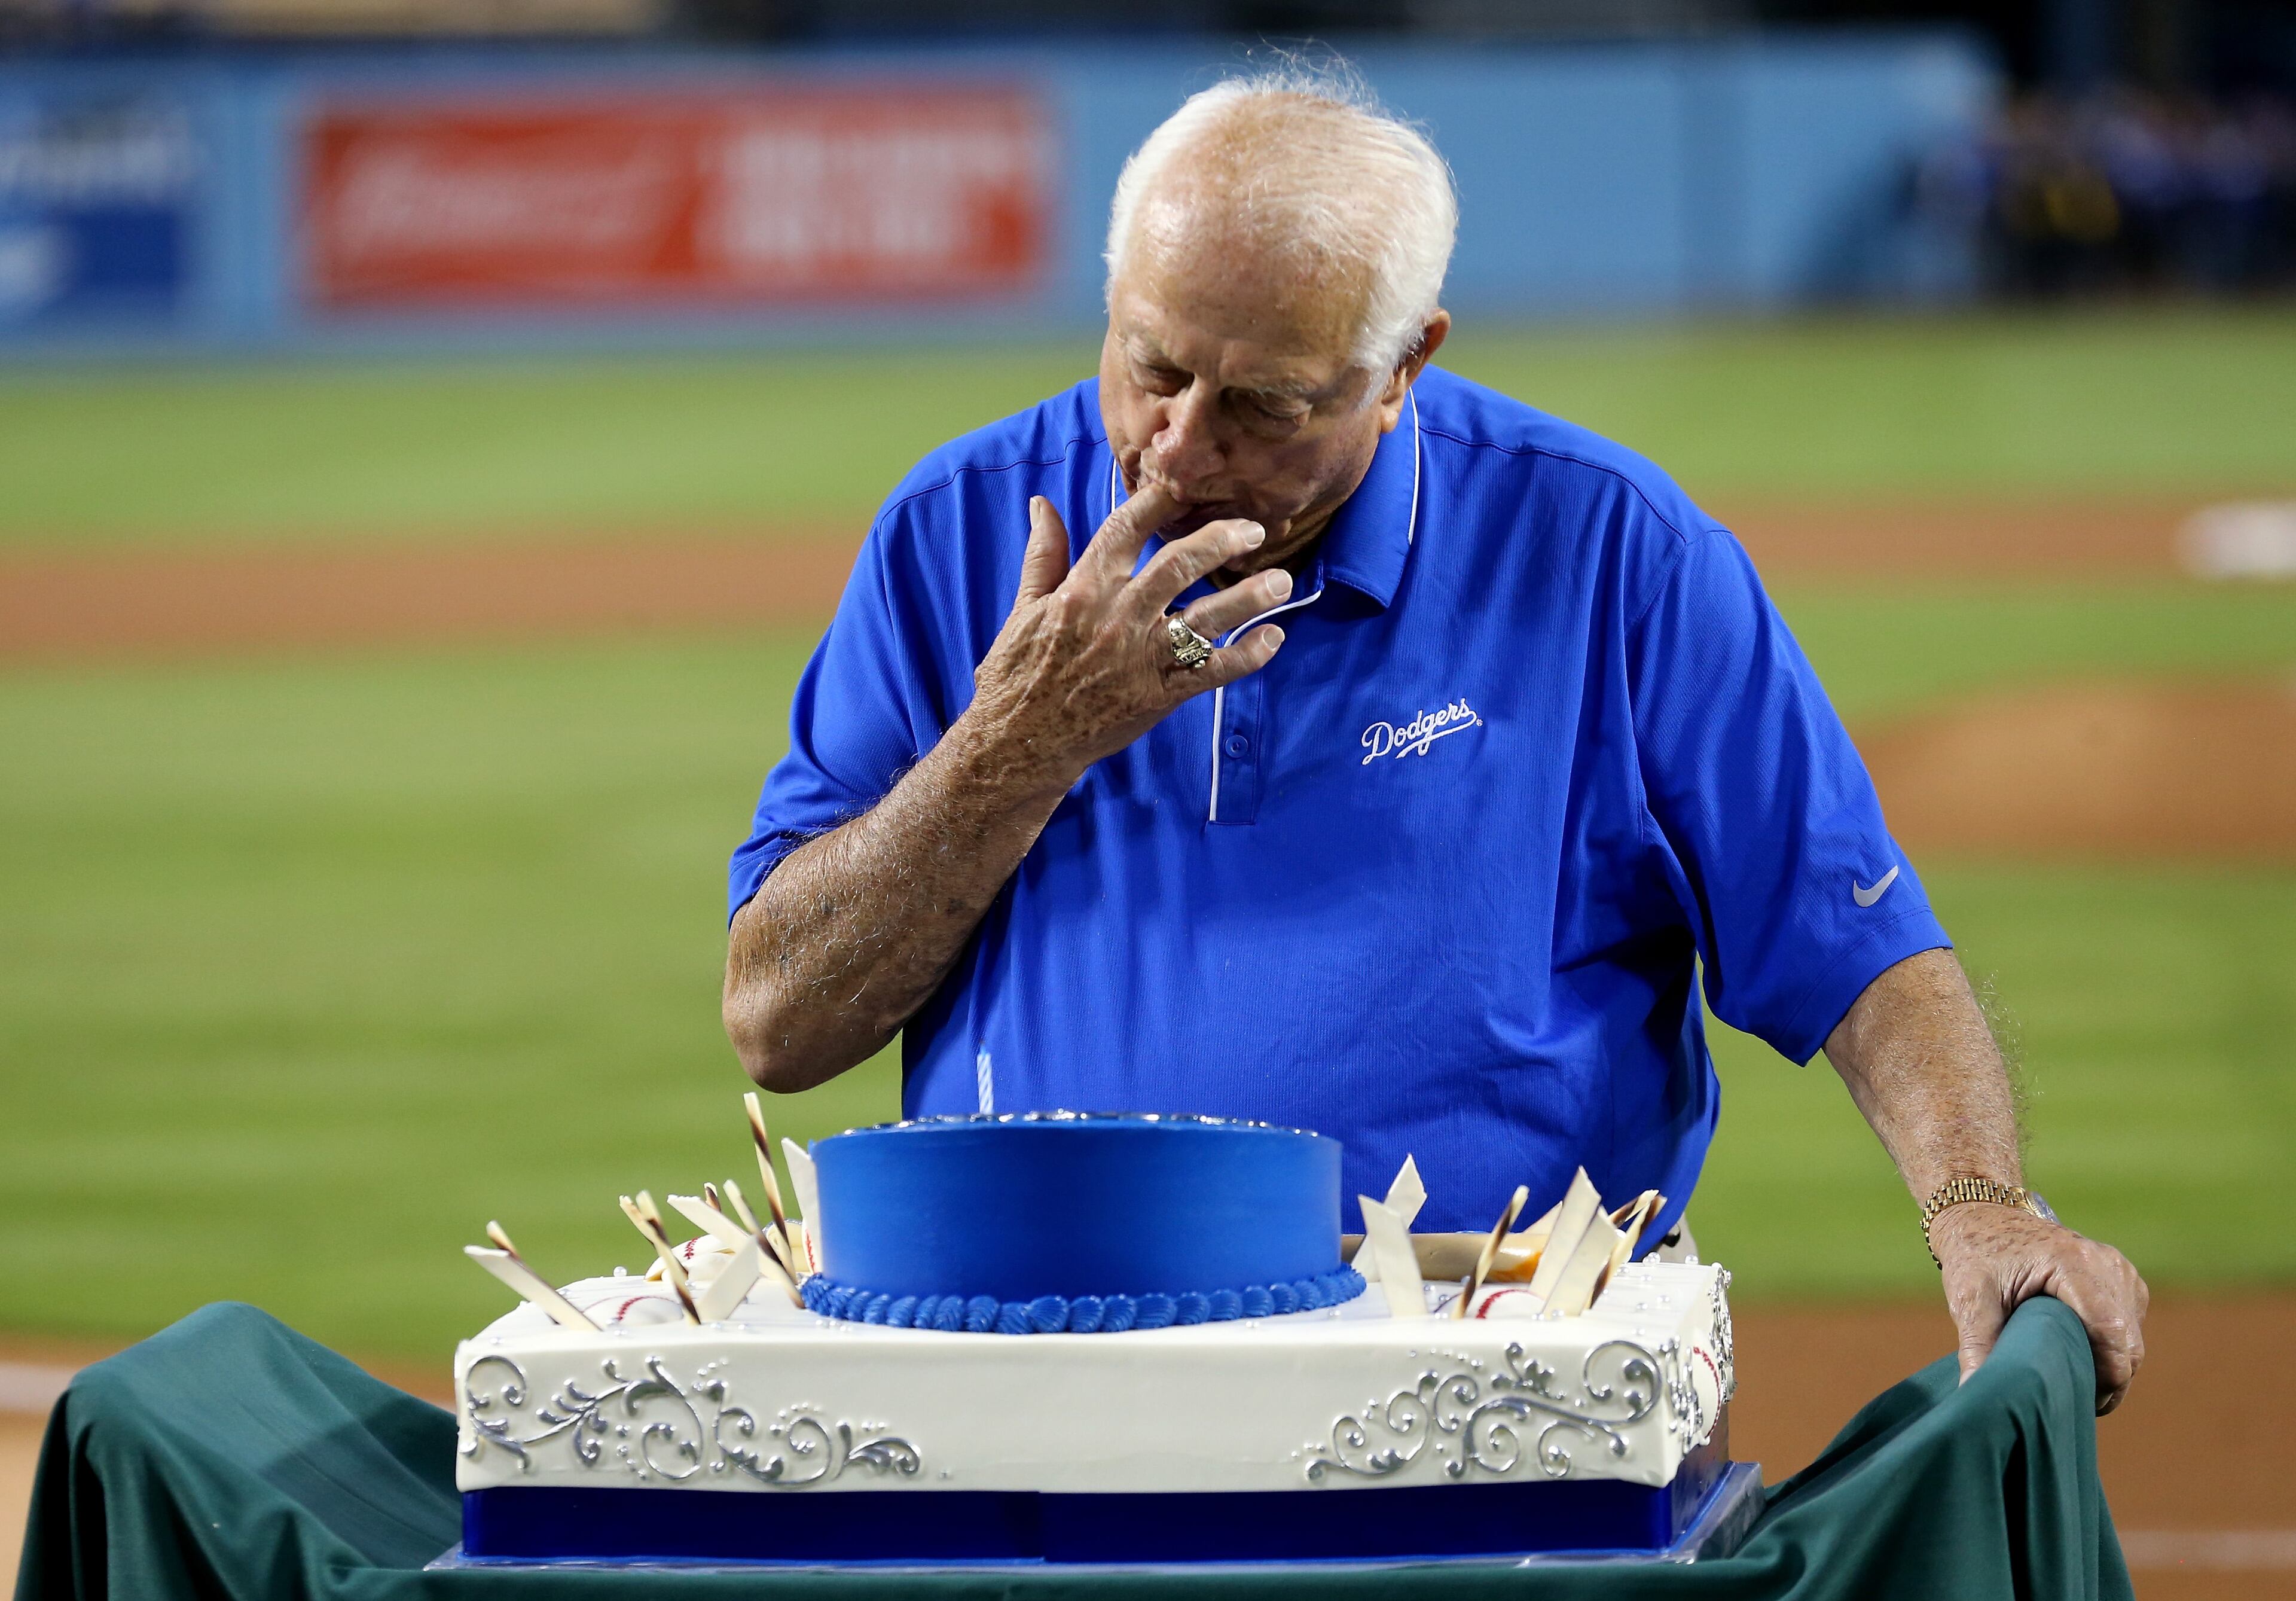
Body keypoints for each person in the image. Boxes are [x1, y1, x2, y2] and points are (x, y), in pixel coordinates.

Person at [723, 68, 2147, 1411]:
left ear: (1405, 364)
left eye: (1266, 404)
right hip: (1037, 1356)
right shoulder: (952, 531)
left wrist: (1981, 1208)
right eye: (1151, 365)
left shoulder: (1607, 551)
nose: (1177, 447)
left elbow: (1857, 944)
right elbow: (779, 1021)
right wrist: (1016, 746)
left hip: (1502, 1384)